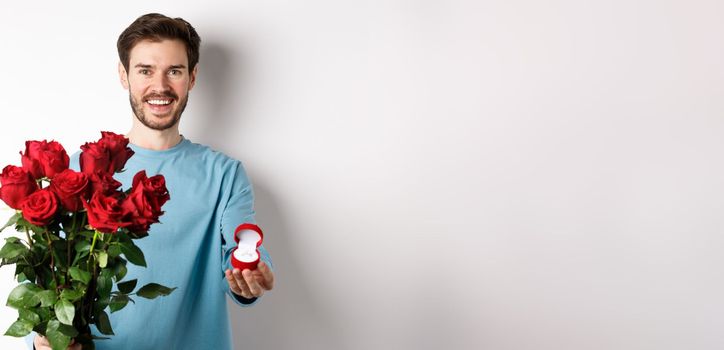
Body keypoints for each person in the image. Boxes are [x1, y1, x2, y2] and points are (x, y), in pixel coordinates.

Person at [30, 13, 275, 350]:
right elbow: (52, 273)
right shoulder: (81, 169)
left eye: (173, 71)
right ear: (124, 75)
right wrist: (43, 341)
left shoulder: (224, 174)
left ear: (192, 77)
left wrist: (252, 275)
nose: (159, 86)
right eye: (145, 70)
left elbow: (242, 247)